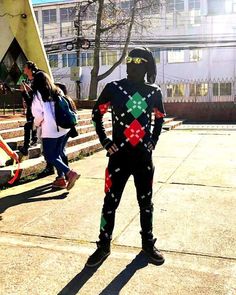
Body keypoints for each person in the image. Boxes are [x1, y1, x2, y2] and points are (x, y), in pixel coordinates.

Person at [86, 47, 166, 267]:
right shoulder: (114, 88)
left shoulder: (153, 91)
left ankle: (147, 243)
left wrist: (153, 141)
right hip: (118, 159)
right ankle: (103, 244)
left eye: (138, 63)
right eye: (130, 62)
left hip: (143, 159)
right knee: (109, 203)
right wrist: (105, 142)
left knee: (146, 203)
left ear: (146, 67)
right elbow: (96, 114)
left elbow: (160, 117)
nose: (132, 66)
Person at [31, 71, 80, 190]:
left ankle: (70, 173)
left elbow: (37, 115)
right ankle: (61, 179)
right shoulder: (58, 90)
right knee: (57, 154)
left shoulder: (38, 94)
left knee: (49, 156)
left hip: (50, 130)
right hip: (63, 129)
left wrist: (37, 124)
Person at [19, 61, 39, 156]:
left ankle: (27, 146)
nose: (23, 69)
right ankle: (27, 146)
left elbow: (32, 101)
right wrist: (26, 88)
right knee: (29, 125)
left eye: (25, 67)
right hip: (35, 111)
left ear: (30, 69)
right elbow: (33, 94)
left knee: (28, 126)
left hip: (39, 112)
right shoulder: (32, 80)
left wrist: (23, 92)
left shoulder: (37, 80)